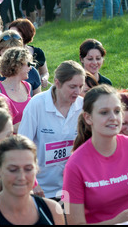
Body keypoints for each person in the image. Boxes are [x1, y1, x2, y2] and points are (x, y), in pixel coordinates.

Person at [64, 85, 128, 224]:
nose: (113, 117)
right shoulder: (74, 165)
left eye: (117, 111)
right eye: (104, 112)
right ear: (88, 118)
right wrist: (116, 221)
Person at [18, 60, 85, 199]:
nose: (77, 92)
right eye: (72, 86)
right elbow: (21, 146)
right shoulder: (37, 104)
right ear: (57, 83)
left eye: (80, 86)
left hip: (71, 187)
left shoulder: (82, 106)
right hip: (41, 189)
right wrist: (33, 183)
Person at [0, 135, 65, 225]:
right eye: (13, 170)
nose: (21, 177)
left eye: (28, 169)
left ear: (36, 169)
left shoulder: (52, 210)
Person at [0, 47, 34, 131]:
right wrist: (15, 127)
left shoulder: (28, 87)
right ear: (17, 65)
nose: (31, 68)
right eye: (28, 64)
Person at [8, 18, 49, 88]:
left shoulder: (37, 52)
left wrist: (44, 78)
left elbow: (44, 72)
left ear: (24, 34)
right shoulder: (6, 53)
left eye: (14, 34)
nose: (10, 37)